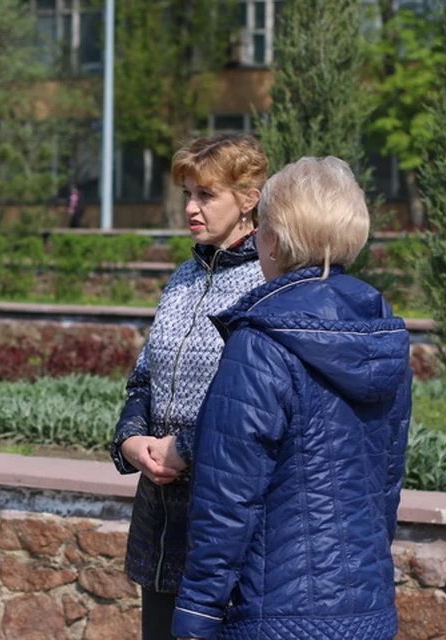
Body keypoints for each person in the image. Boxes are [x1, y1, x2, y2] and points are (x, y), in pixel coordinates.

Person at [172, 157, 412, 640]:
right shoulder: (383, 334)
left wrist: (197, 610)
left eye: (260, 231)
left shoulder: (261, 340)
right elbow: (386, 484)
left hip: (274, 613)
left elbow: (228, 494)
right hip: (365, 608)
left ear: (275, 241)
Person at [109, 134, 268, 640]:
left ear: (248, 200)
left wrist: (188, 447)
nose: (192, 208)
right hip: (159, 511)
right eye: (187, 195)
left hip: (223, 507)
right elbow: (144, 380)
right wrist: (131, 441)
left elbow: (258, 401)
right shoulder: (181, 277)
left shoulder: (267, 281)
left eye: (207, 195)